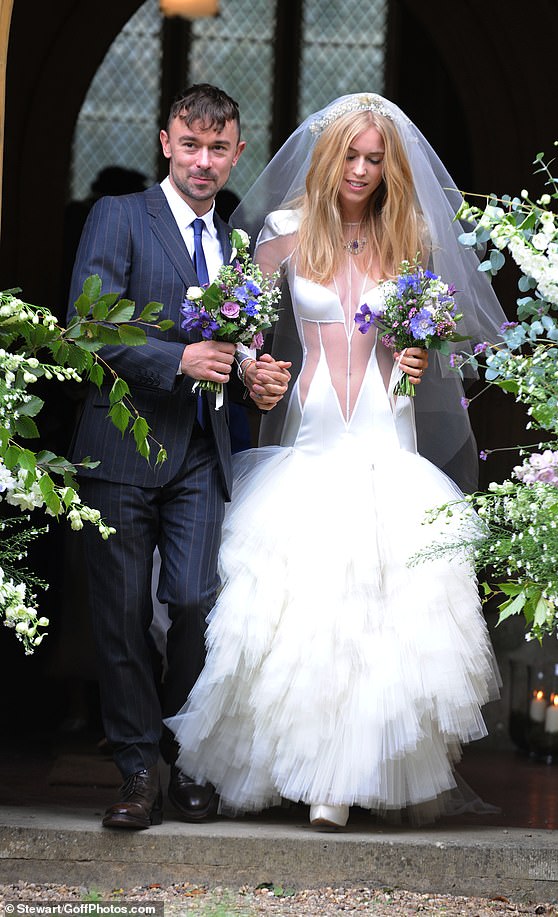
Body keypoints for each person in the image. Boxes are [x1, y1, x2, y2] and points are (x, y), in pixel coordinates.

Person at [167, 93, 507, 830]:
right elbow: (243, 330)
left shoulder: (411, 236)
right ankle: (307, 771)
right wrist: (253, 368)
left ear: (389, 167)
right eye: (349, 156)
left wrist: (422, 353)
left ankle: (349, 780)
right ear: (327, 158)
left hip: (388, 435)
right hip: (311, 435)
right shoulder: (282, 235)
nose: (360, 170)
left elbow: (441, 336)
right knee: (306, 602)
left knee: (383, 604)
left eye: (374, 159)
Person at [66, 83, 290, 830]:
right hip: (121, 445)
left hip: (202, 449)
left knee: (197, 602)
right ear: (166, 143)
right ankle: (139, 772)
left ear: (237, 153)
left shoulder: (237, 243)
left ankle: (185, 754)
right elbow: (88, 327)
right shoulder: (119, 215)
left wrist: (255, 376)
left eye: (217, 148)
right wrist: (177, 359)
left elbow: (239, 346)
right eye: (190, 145)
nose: (202, 161)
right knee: (123, 616)